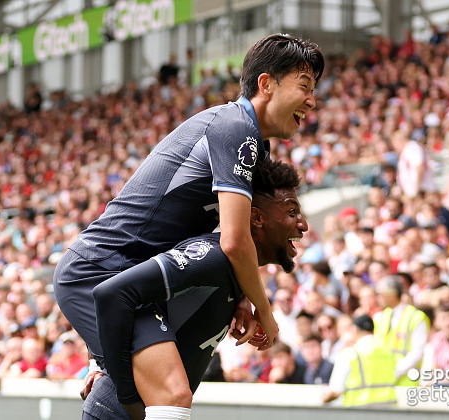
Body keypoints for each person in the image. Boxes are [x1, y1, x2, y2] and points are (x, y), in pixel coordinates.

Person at [53, 33, 323, 416]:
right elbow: (233, 241)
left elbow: (233, 235)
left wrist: (244, 296)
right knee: (170, 396)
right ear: (266, 83)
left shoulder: (254, 143)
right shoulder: (235, 127)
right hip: (99, 272)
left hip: (130, 283)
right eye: (305, 86)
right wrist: (265, 309)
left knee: (161, 396)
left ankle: (108, 369)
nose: (313, 100)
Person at [83, 160, 308, 419]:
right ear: (257, 218)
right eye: (292, 213)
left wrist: (245, 298)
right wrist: (108, 373)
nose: (303, 225)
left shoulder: (236, 272)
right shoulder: (212, 258)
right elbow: (111, 291)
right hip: (119, 413)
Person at [322, 314, 398, 406]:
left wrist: (321, 402)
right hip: (389, 409)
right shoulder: (388, 351)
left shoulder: (350, 354)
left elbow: (336, 390)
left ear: (355, 329)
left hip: (360, 410)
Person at [373, 275, 429, 386]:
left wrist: (395, 372)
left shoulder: (416, 317)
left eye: (381, 294)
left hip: (407, 380)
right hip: (385, 379)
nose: (378, 298)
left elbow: (417, 352)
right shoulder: (381, 317)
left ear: (393, 294)